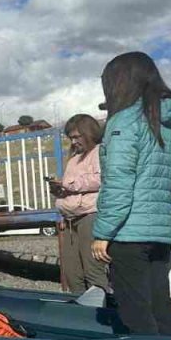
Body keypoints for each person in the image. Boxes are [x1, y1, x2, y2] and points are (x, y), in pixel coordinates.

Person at [90, 52, 171, 336]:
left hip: (128, 233)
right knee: (160, 309)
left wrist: (103, 233)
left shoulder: (123, 122)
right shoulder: (163, 122)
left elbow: (119, 184)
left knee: (135, 313)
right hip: (159, 232)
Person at [50, 114, 108, 294]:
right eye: (71, 138)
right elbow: (72, 186)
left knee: (93, 271)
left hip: (90, 214)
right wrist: (59, 190)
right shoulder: (74, 158)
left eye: (77, 136)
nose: (74, 141)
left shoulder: (100, 152)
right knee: (71, 273)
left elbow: (101, 179)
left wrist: (69, 184)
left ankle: (105, 312)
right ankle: (82, 313)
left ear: (89, 133)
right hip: (70, 218)